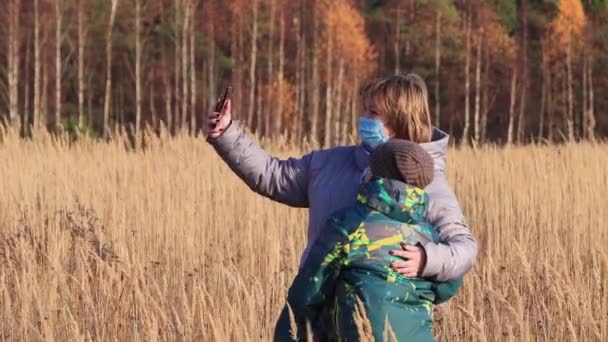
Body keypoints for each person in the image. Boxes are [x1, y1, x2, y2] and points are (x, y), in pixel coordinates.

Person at [207, 73, 476, 285]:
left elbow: (464, 247)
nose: (363, 119)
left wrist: (426, 259)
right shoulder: (328, 164)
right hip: (318, 311)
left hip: (382, 320)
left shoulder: (428, 182)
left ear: (400, 120)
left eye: (373, 113)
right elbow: (272, 175)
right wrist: (228, 133)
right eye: (365, 110)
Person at [273, 139, 463, 341]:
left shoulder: (348, 224)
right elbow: (450, 284)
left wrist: (288, 331)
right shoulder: (429, 234)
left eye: (370, 167)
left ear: (377, 174)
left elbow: (309, 290)